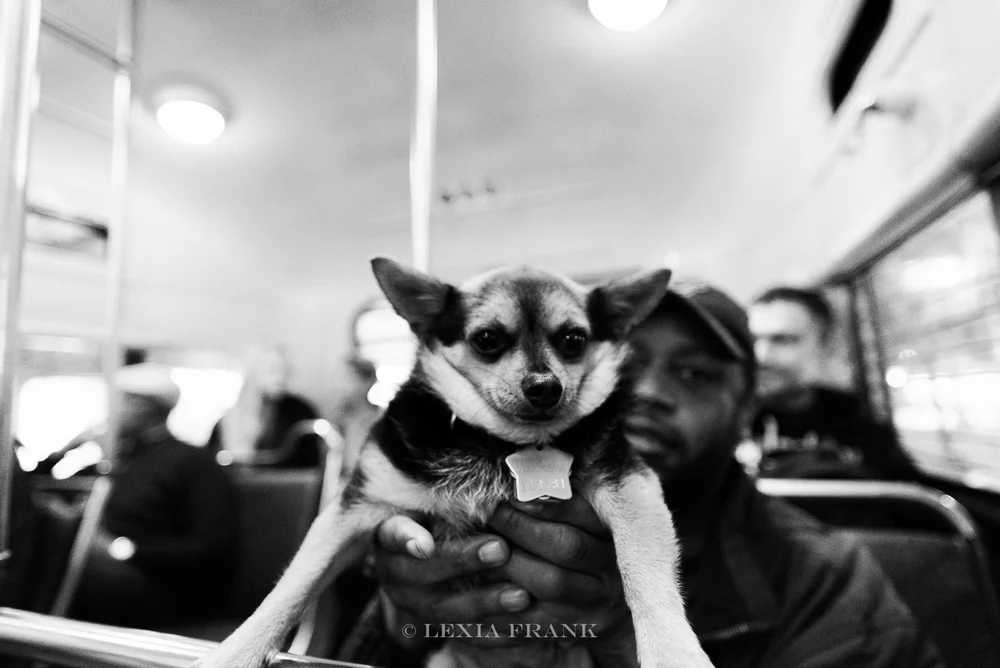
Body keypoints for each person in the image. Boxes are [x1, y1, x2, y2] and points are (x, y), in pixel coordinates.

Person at [332, 280, 943, 668]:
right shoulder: (480, 506)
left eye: (695, 373)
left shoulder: (823, 576)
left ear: (746, 409)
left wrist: (628, 640)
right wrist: (404, 618)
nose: (646, 392)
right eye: (626, 364)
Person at [71, 363, 238, 629]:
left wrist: (121, 549)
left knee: (70, 572)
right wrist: (69, 448)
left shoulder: (193, 462)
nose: (111, 413)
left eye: (120, 403)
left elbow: (212, 548)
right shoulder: (124, 460)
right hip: (117, 576)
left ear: (144, 408)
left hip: (163, 587)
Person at [748, 286, 921, 480]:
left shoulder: (857, 423)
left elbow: (906, 490)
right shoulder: (728, 421)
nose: (760, 356)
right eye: (750, 340)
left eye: (783, 340)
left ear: (825, 346)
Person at [206, 343, 323, 468]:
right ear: (254, 371)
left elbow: (310, 461)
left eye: (284, 370)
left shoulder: (301, 412)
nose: (279, 377)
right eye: (272, 370)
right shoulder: (231, 416)